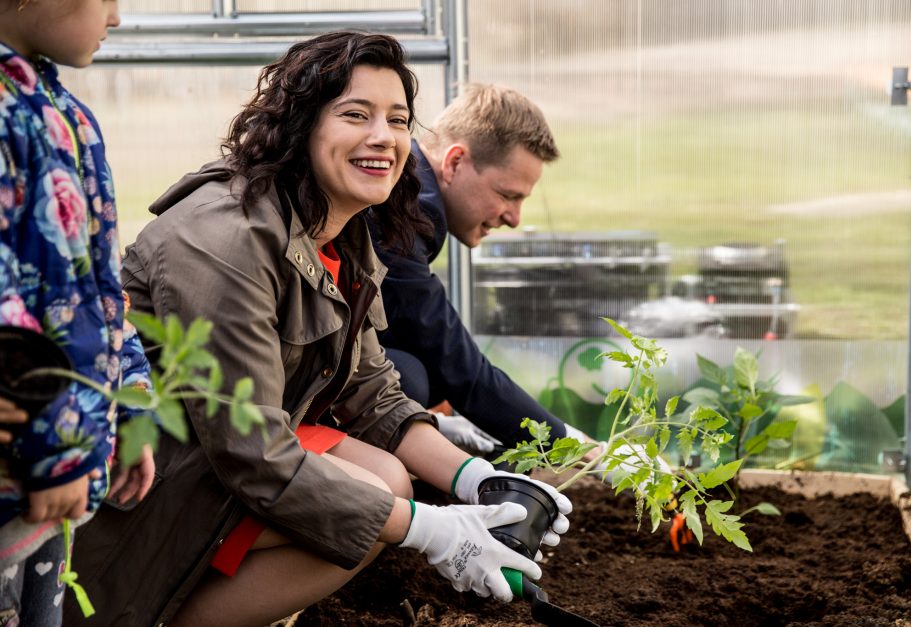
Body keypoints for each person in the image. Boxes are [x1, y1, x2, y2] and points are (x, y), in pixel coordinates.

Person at [65, 32, 571, 627]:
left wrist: (477, 480)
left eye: (399, 119)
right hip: (144, 484)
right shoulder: (226, 239)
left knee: (384, 483)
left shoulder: (340, 235)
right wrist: (431, 532)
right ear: (302, 124)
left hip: (209, 460)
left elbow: (372, 390)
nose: (383, 136)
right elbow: (250, 446)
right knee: (374, 502)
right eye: (356, 114)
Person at [0, 0, 156, 624]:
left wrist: (128, 400)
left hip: (52, 461)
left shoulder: (59, 110)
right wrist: (56, 451)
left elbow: (94, 285)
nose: (116, 19)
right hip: (22, 463)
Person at [367, 84, 596, 454]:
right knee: (406, 377)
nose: (515, 218)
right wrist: (579, 450)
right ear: (455, 161)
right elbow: (456, 361)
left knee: (414, 373)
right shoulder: (407, 206)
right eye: (508, 195)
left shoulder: (411, 190)